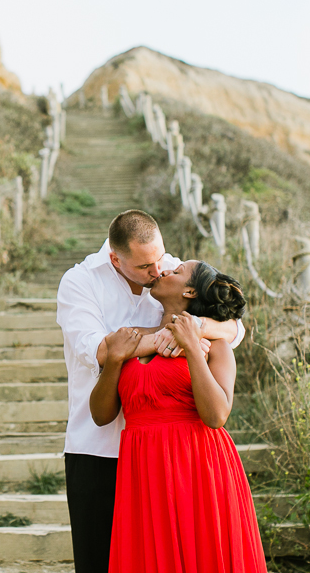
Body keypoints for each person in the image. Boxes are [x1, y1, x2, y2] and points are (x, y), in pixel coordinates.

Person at [56, 210, 245, 573]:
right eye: (146, 267)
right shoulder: (80, 282)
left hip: (165, 458)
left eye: (161, 259)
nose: (157, 271)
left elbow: (233, 328)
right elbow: (99, 350)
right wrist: (162, 337)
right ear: (116, 259)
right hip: (98, 449)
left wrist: (190, 329)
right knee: (99, 561)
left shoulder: (168, 268)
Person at [89, 260, 267, 573]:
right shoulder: (131, 340)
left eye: (178, 270)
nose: (165, 270)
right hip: (143, 471)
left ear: (189, 291)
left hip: (199, 467)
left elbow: (216, 415)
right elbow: (100, 416)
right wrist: (115, 360)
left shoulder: (215, 346)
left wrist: (193, 347)